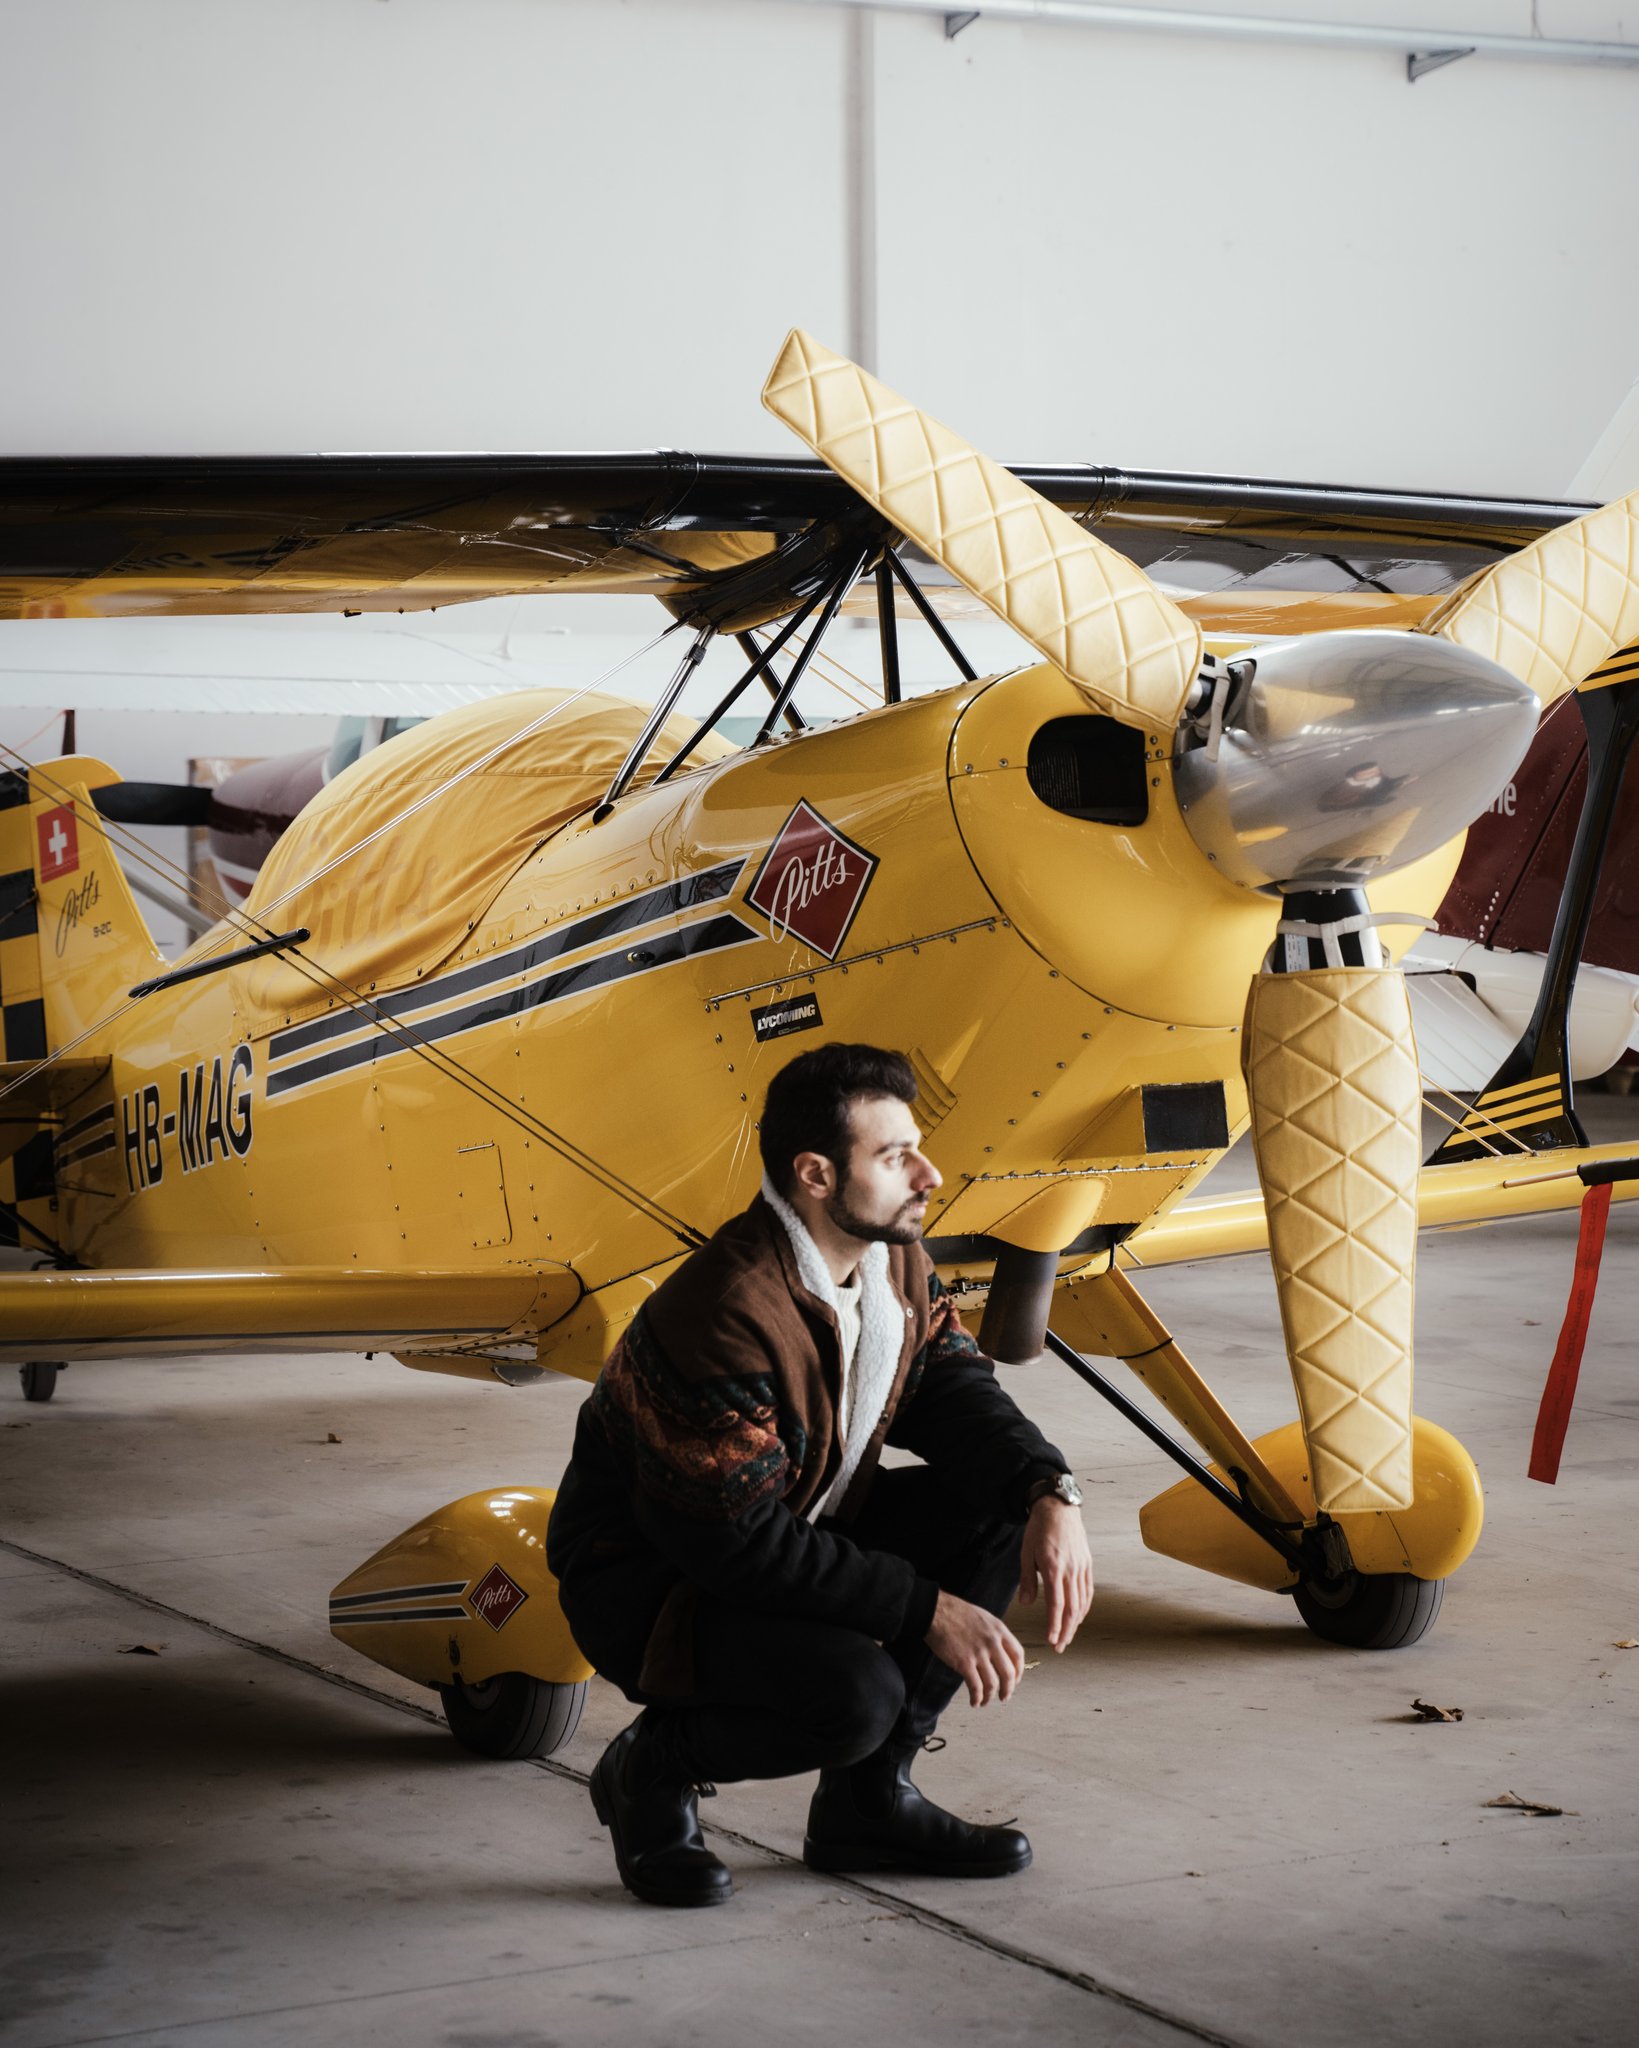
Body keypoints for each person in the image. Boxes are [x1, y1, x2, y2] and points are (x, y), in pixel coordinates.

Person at [547, 1043, 1095, 1907]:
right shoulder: (721, 1313)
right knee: (853, 1699)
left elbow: (945, 1381)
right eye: (892, 1156)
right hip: (656, 1583)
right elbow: (734, 1546)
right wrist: (925, 1608)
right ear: (813, 1173)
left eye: (913, 1146)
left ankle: (866, 1808)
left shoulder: (888, 1257)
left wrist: (1045, 1489)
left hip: (785, 1529)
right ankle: (649, 1767)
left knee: (995, 1514)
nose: (927, 1174)